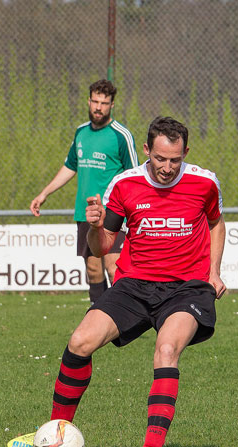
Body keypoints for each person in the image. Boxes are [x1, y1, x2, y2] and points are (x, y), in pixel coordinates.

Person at [47, 116, 226, 447]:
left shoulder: (204, 182)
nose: (166, 167)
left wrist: (214, 271)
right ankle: (55, 431)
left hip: (186, 288)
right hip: (135, 285)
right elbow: (100, 248)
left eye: (175, 160)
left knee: (166, 349)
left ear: (185, 153)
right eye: (160, 159)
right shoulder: (125, 185)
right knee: (80, 341)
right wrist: (96, 226)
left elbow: (216, 222)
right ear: (147, 151)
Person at [30, 79, 138, 304]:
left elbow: (135, 176)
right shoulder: (81, 132)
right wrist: (44, 193)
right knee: (93, 270)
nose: (99, 107)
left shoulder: (121, 135)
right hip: (85, 213)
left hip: (113, 212)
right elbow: (71, 166)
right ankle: (97, 317)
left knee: (112, 265)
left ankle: (122, 315)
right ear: (88, 101)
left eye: (104, 103)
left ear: (112, 105)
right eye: (95, 101)